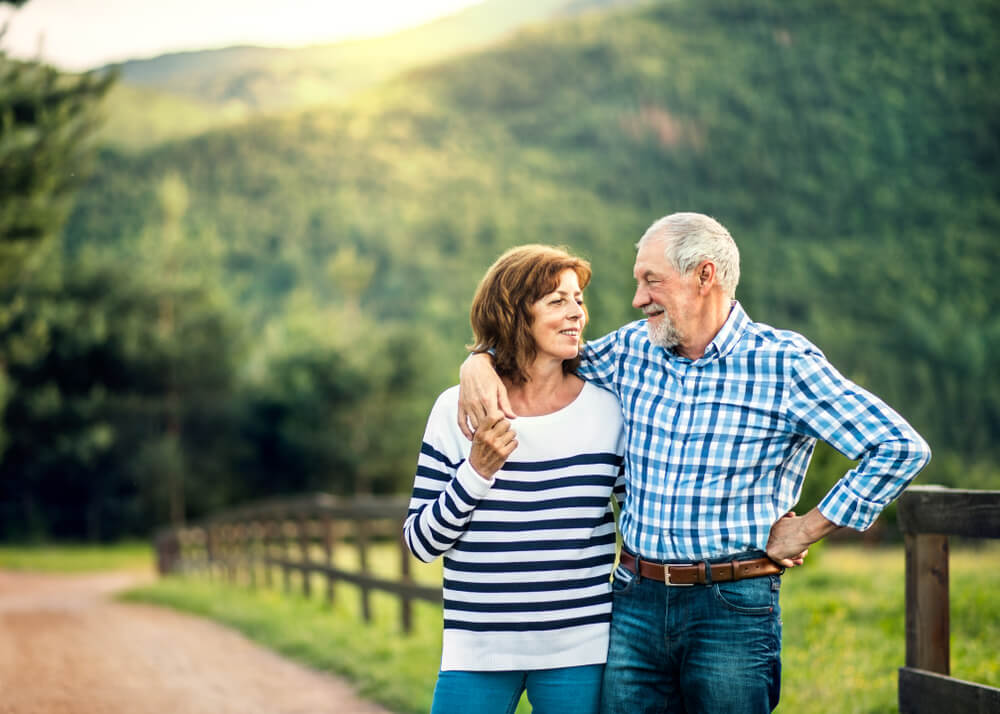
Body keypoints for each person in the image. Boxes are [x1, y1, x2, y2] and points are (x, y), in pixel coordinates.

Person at [458, 212, 931, 713]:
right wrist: (480, 359)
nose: (638, 298)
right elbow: (541, 352)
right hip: (635, 602)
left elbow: (899, 447)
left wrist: (810, 527)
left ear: (705, 276)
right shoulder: (630, 349)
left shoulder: (784, 363)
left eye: (651, 280)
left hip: (731, 607)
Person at [403, 245, 626, 714]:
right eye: (557, 301)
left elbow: (649, 513)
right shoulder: (456, 409)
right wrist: (477, 471)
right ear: (514, 314)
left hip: (580, 651)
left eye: (579, 299)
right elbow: (421, 544)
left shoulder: (608, 412)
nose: (577, 314)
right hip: (476, 652)